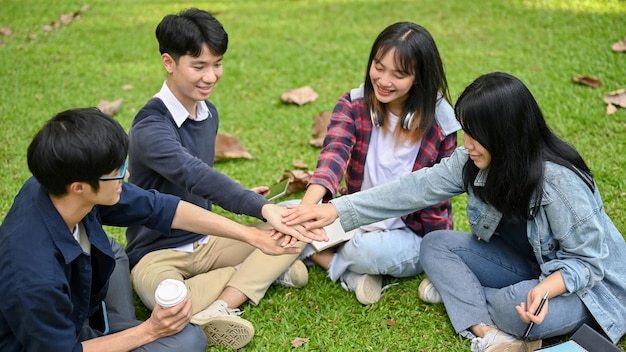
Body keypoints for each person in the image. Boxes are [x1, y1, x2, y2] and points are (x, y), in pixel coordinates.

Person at [281, 72, 626, 351]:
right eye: (466, 132)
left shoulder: (559, 184)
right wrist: (337, 210)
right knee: (436, 244)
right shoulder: (473, 162)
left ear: (505, 135)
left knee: (513, 309)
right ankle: (486, 331)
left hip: (587, 290)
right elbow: (413, 188)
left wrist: (545, 289)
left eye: (476, 135)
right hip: (524, 267)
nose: (467, 144)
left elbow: (590, 263)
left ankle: (468, 302)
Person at [0, 108, 313, 352]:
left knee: (111, 249)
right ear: (79, 187)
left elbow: (161, 207)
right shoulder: (33, 276)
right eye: (118, 171)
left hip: (81, 301)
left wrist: (250, 234)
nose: (127, 174)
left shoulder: (57, 185)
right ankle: (128, 333)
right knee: (188, 341)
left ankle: (120, 327)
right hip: (57, 339)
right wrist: (150, 331)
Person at [125, 8, 311, 349]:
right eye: (199, 66)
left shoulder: (208, 112)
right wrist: (259, 207)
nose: (211, 76)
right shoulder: (149, 127)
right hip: (155, 254)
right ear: (169, 62)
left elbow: (198, 184)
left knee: (291, 233)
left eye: (217, 63)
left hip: (208, 240)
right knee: (170, 301)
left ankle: (221, 303)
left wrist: (242, 200)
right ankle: (255, 279)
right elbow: (193, 174)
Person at [293, 22, 459, 305]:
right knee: (283, 215)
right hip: (351, 214)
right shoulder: (355, 103)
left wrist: (437, 252)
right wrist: (304, 212)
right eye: (378, 67)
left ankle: (321, 260)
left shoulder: (441, 124)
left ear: (420, 77)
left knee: (365, 250)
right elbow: (332, 157)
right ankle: (348, 272)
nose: (383, 80)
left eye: (399, 74)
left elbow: (436, 197)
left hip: (407, 233)